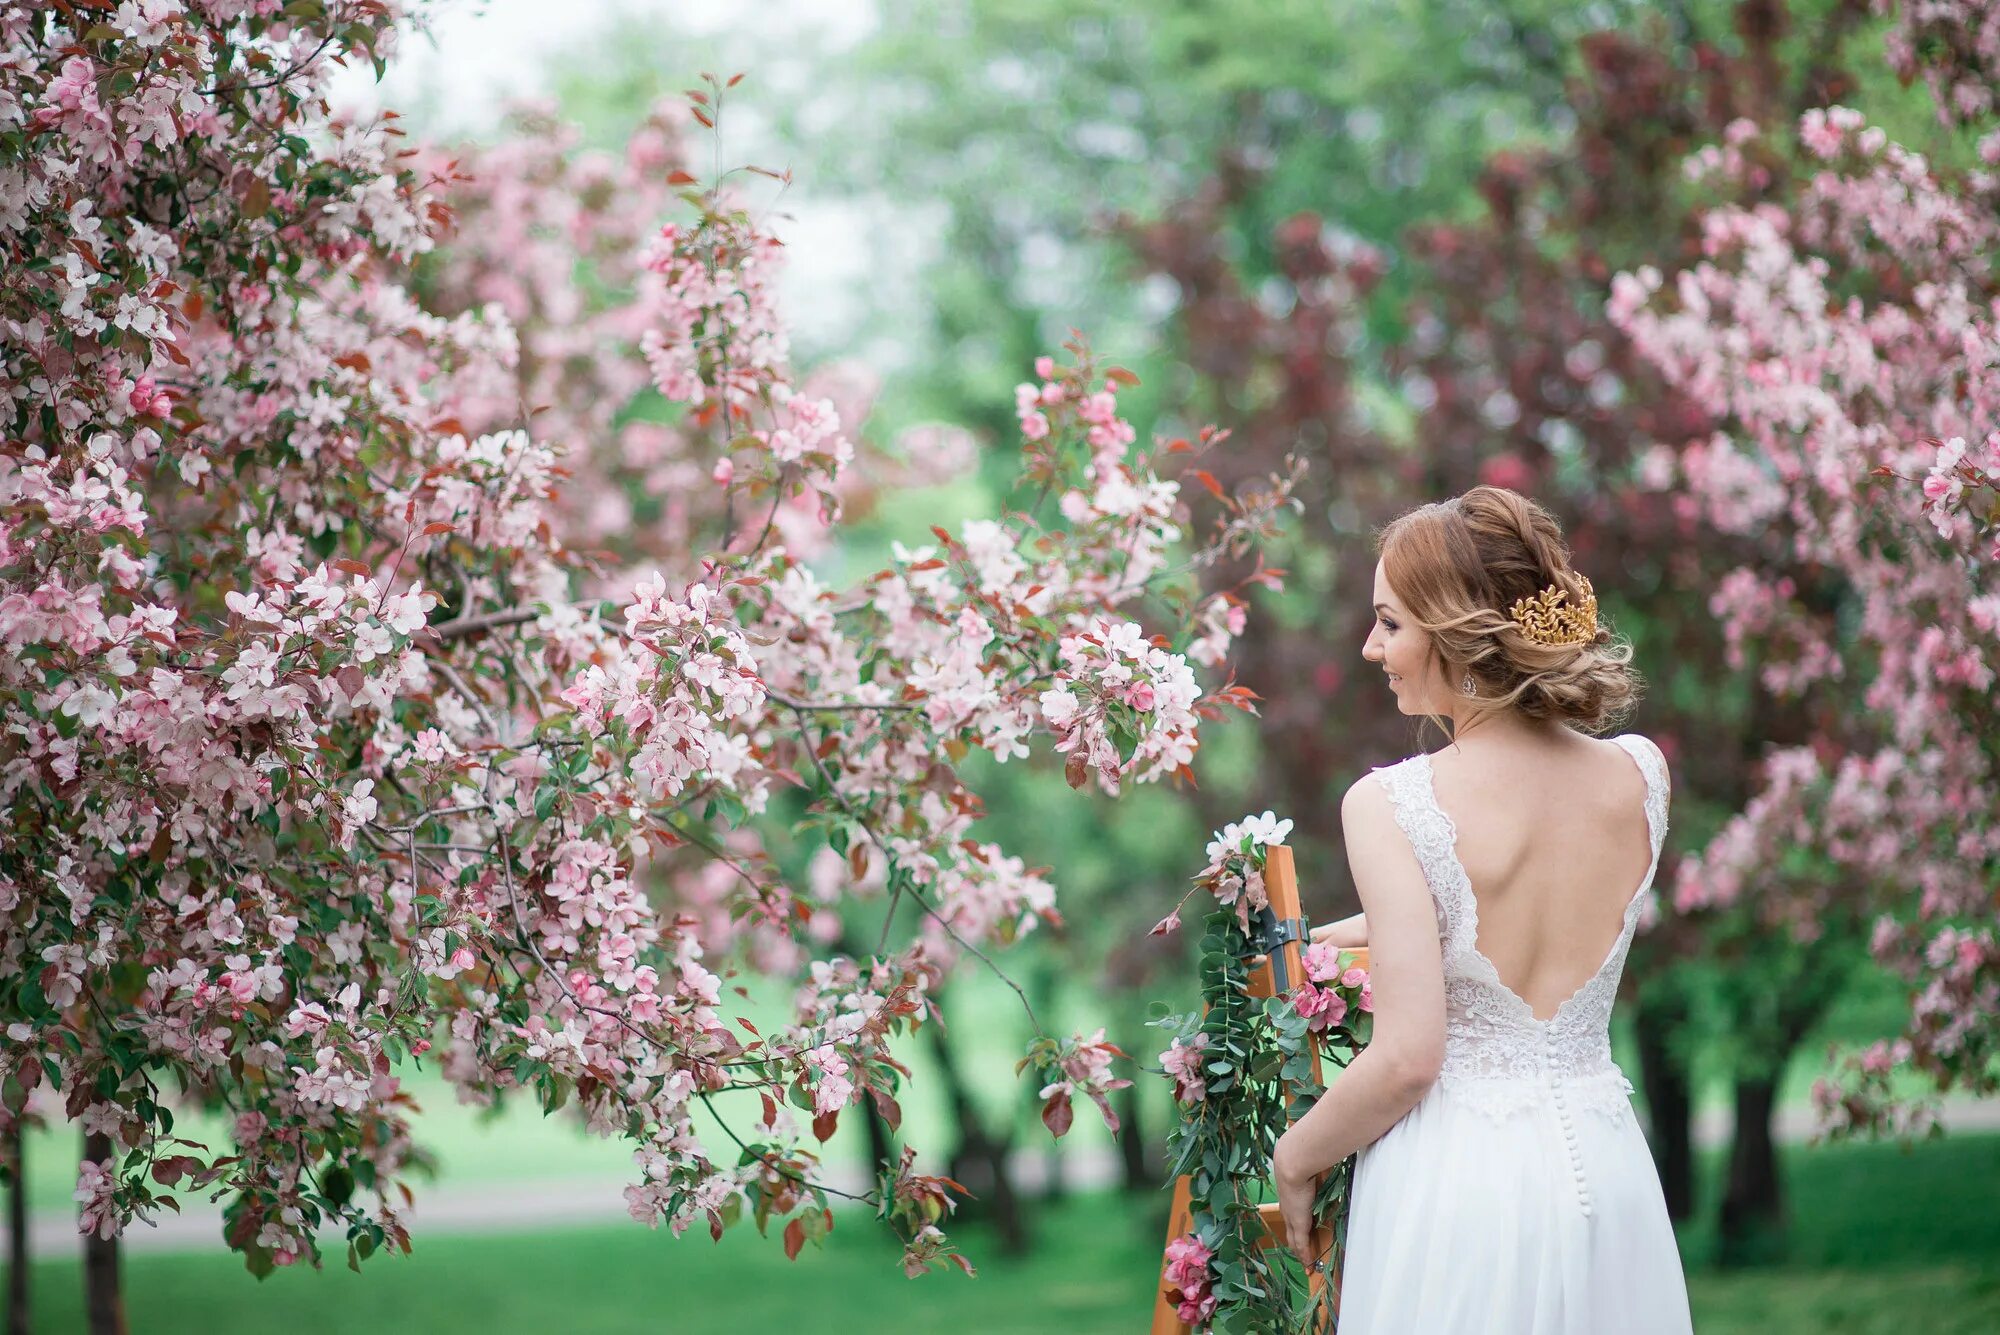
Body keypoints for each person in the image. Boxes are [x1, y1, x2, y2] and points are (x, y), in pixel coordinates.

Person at [1271, 485, 1695, 1333]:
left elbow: (1408, 1057)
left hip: (1457, 1187)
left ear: (1459, 631)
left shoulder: (1391, 802)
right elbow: (1487, 925)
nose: (1369, 647)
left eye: (1390, 623)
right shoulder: (1640, 775)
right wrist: (1335, 937)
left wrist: (1296, 1154)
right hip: (1608, 1169)